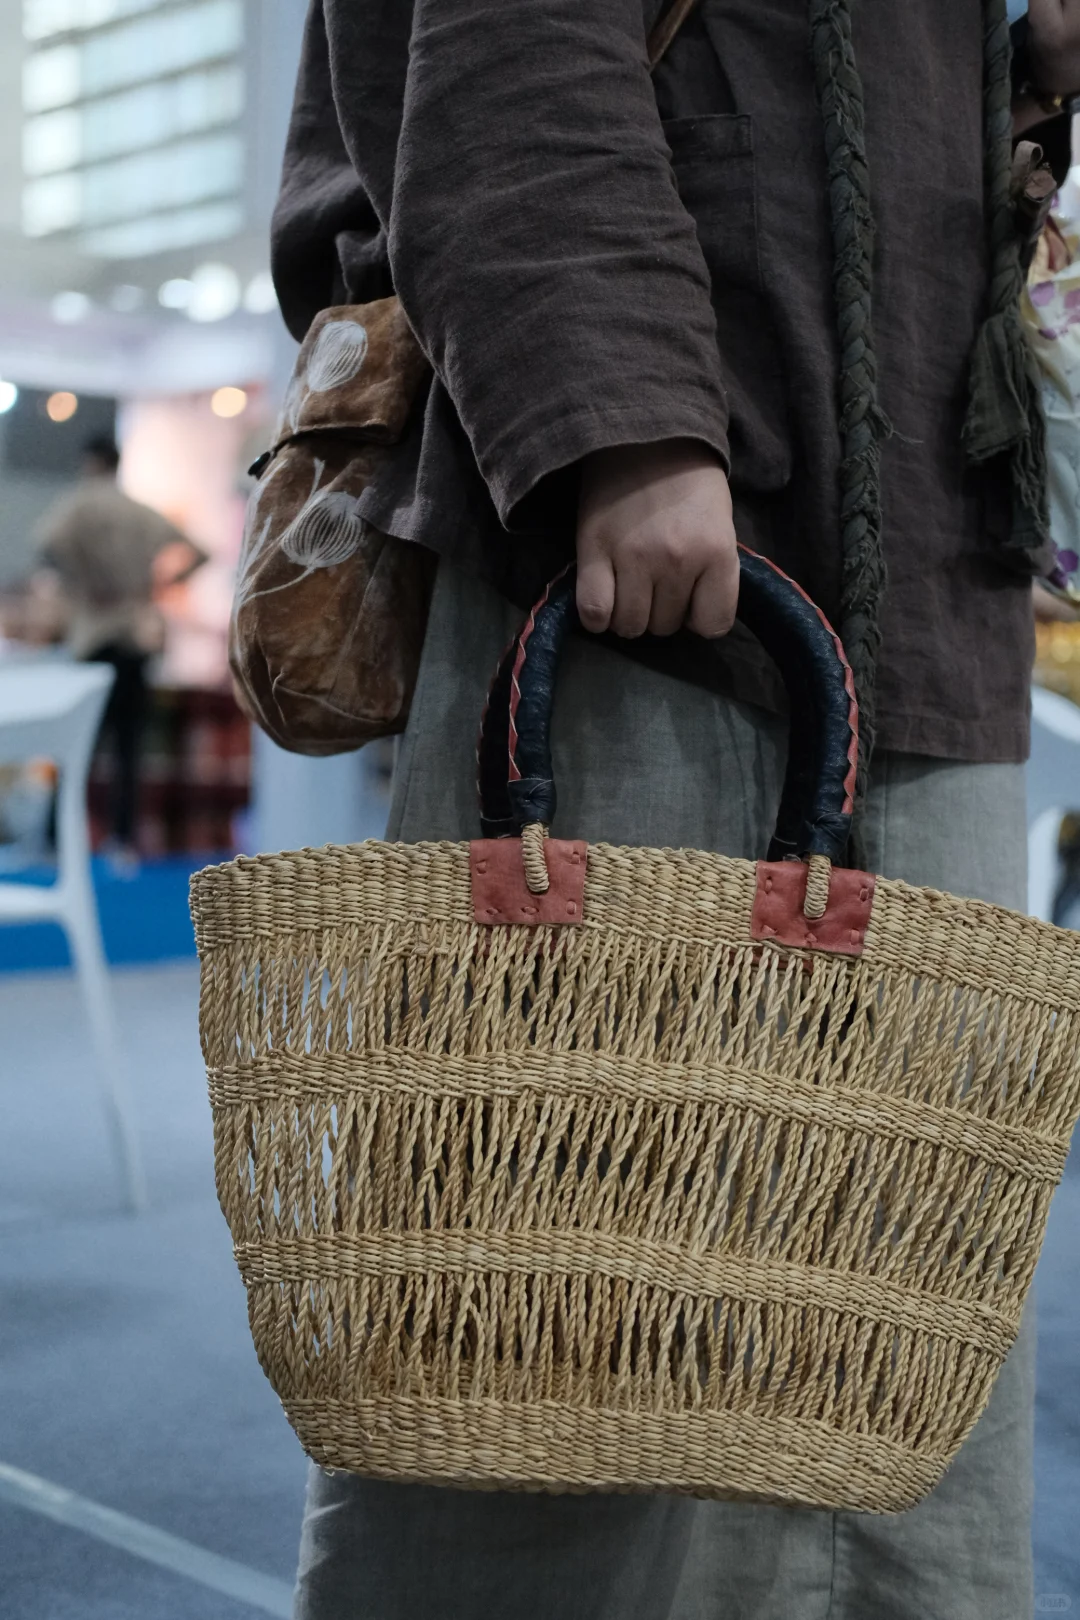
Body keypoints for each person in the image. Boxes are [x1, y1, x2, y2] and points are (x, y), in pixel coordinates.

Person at [268, 2, 1080, 1616]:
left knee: (902, 1352)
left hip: (929, 572)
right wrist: (622, 420)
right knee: (565, 1336)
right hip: (655, 559)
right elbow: (508, 32)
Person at [32, 435, 206, 859]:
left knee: (78, 744)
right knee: (129, 747)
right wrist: (157, 586)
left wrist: (81, 584)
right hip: (134, 633)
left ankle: (56, 839)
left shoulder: (78, 505)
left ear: (89, 463)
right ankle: (122, 841)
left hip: (94, 635)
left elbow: (45, 545)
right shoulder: (139, 512)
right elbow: (200, 552)